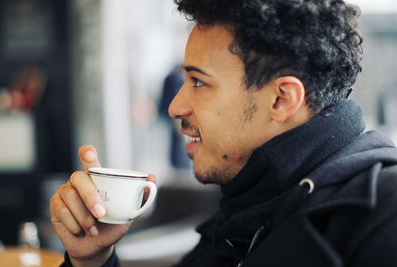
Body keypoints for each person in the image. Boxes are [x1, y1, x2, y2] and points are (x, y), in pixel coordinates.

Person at [50, 0, 397, 266]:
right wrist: (92, 260)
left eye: (199, 81)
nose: (174, 107)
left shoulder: (383, 215)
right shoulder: (245, 206)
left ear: (281, 99)